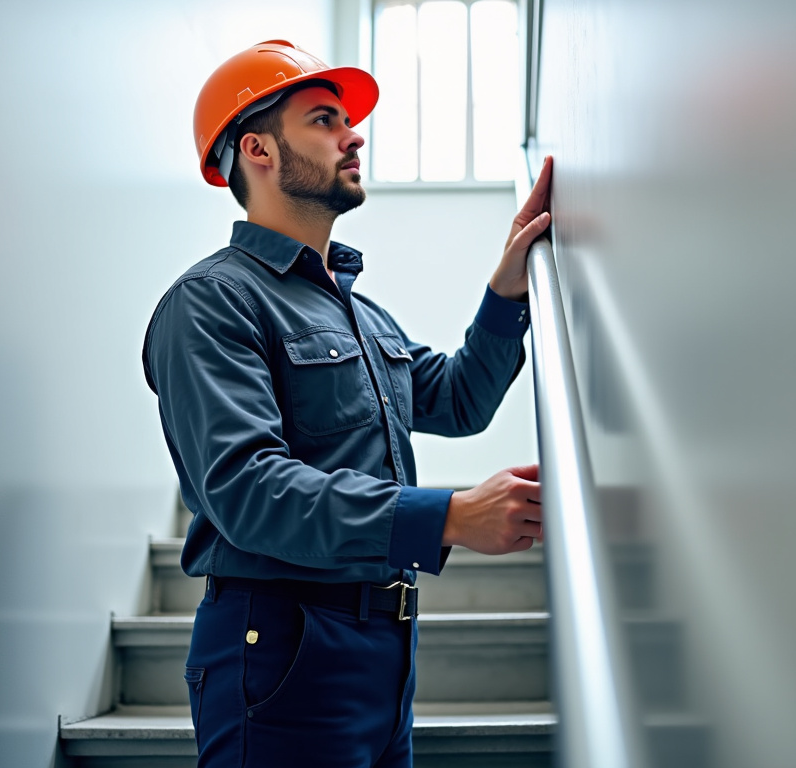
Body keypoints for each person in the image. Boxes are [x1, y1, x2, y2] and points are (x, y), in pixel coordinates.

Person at [141, 39, 554, 768]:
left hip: (386, 650)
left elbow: (458, 400)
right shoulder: (210, 303)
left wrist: (510, 288)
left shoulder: (362, 315)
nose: (353, 133)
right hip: (283, 649)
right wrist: (450, 516)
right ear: (259, 150)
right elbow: (248, 490)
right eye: (325, 119)